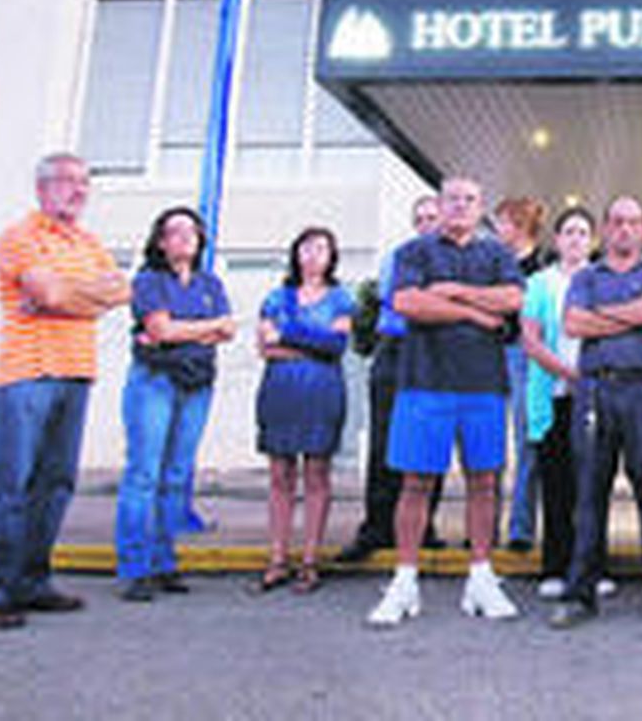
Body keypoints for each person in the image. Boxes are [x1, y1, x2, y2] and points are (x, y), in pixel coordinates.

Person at [0, 153, 130, 629]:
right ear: (42, 188)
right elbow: (51, 294)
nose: (78, 191)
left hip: (76, 373)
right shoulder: (20, 236)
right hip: (25, 375)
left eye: (84, 183)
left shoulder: (88, 241)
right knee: (7, 486)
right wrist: (76, 295)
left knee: (54, 485)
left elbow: (120, 291)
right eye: (68, 182)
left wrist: (64, 293)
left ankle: (30, 582)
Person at [368, 177, 524, 627]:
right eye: (452, 199)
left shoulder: (496, 253)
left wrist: (450, 291)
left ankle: (481, 577)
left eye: (470, 200)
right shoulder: (414, 252)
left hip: (484, 386)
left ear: (481, 209)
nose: (460, 206)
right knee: (415, 483)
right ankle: (404, 580)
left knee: (484, 482)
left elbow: (512, 298)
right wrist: (476, 312)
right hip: (424, 382)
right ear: (439, 205)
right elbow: (408, 302)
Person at [550, 197, 642, 630]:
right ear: (605, 228)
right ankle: (580, 594)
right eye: (616, 222)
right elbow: (572, 324)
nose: (625, 229)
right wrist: (632, 317)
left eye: (634, 222)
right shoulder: (587, 275)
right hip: (595, 390)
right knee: (589, 496)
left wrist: (603, 315)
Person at [115, 206, 236, 602]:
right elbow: (159, 329)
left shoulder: (210, 283)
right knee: (145, 473)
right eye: (175, 232)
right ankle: (135, 568)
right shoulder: (149, 280)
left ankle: (164, 563)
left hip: (197, 384)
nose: (185, 238)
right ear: (161, 241)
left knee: (177, 474)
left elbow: (228, 330)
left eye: (191, 232)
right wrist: (202, 329)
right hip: (155, 382)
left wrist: (177, 333)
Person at [339, 194, 444, 564]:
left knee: (430, 443)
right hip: (395, 350)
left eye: (435, 216)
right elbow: (399, 298)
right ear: (415, 223)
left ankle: (423, 527)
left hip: (436, 354)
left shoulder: (457, 260)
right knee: (385, 441)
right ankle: (376, 528)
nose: (429, 223)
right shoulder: (397, 257)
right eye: (423, 217)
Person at [254, 227, 356, 595]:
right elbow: (265, 348)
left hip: (322, 394)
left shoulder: (341, 298)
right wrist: (309, 342)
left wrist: (288, 336)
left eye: (321, 248)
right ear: (295, 253)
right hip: (280, 392)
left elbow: (336, 345)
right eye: (306, 247)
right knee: (280, 476)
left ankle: (310, 559)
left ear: (332, 257)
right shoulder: (275, 297)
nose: (313, 254)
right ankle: (277, 557)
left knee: (317, 475)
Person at [520, 206, 594, 599]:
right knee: (556, 484)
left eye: (583, 232)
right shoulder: (539, 283)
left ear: (592, 240)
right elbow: (530, 340)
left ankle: (590, 569)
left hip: (593, 399)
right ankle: (555, 566)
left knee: (591, 486)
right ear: (557, 239)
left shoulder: (600, 280)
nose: (576, 238)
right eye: (569, 231)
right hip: (553, 396)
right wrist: (570, 374)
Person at [495, 196, 549, 551]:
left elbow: (521, 307)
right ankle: (482, 529)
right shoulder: (494, 263)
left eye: (500, 222)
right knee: (489, 444)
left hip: (525, 355)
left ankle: (520, 529)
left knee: (528, 441)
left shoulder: (542, 266)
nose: (496, 230)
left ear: (518, 225)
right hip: (490, 354)